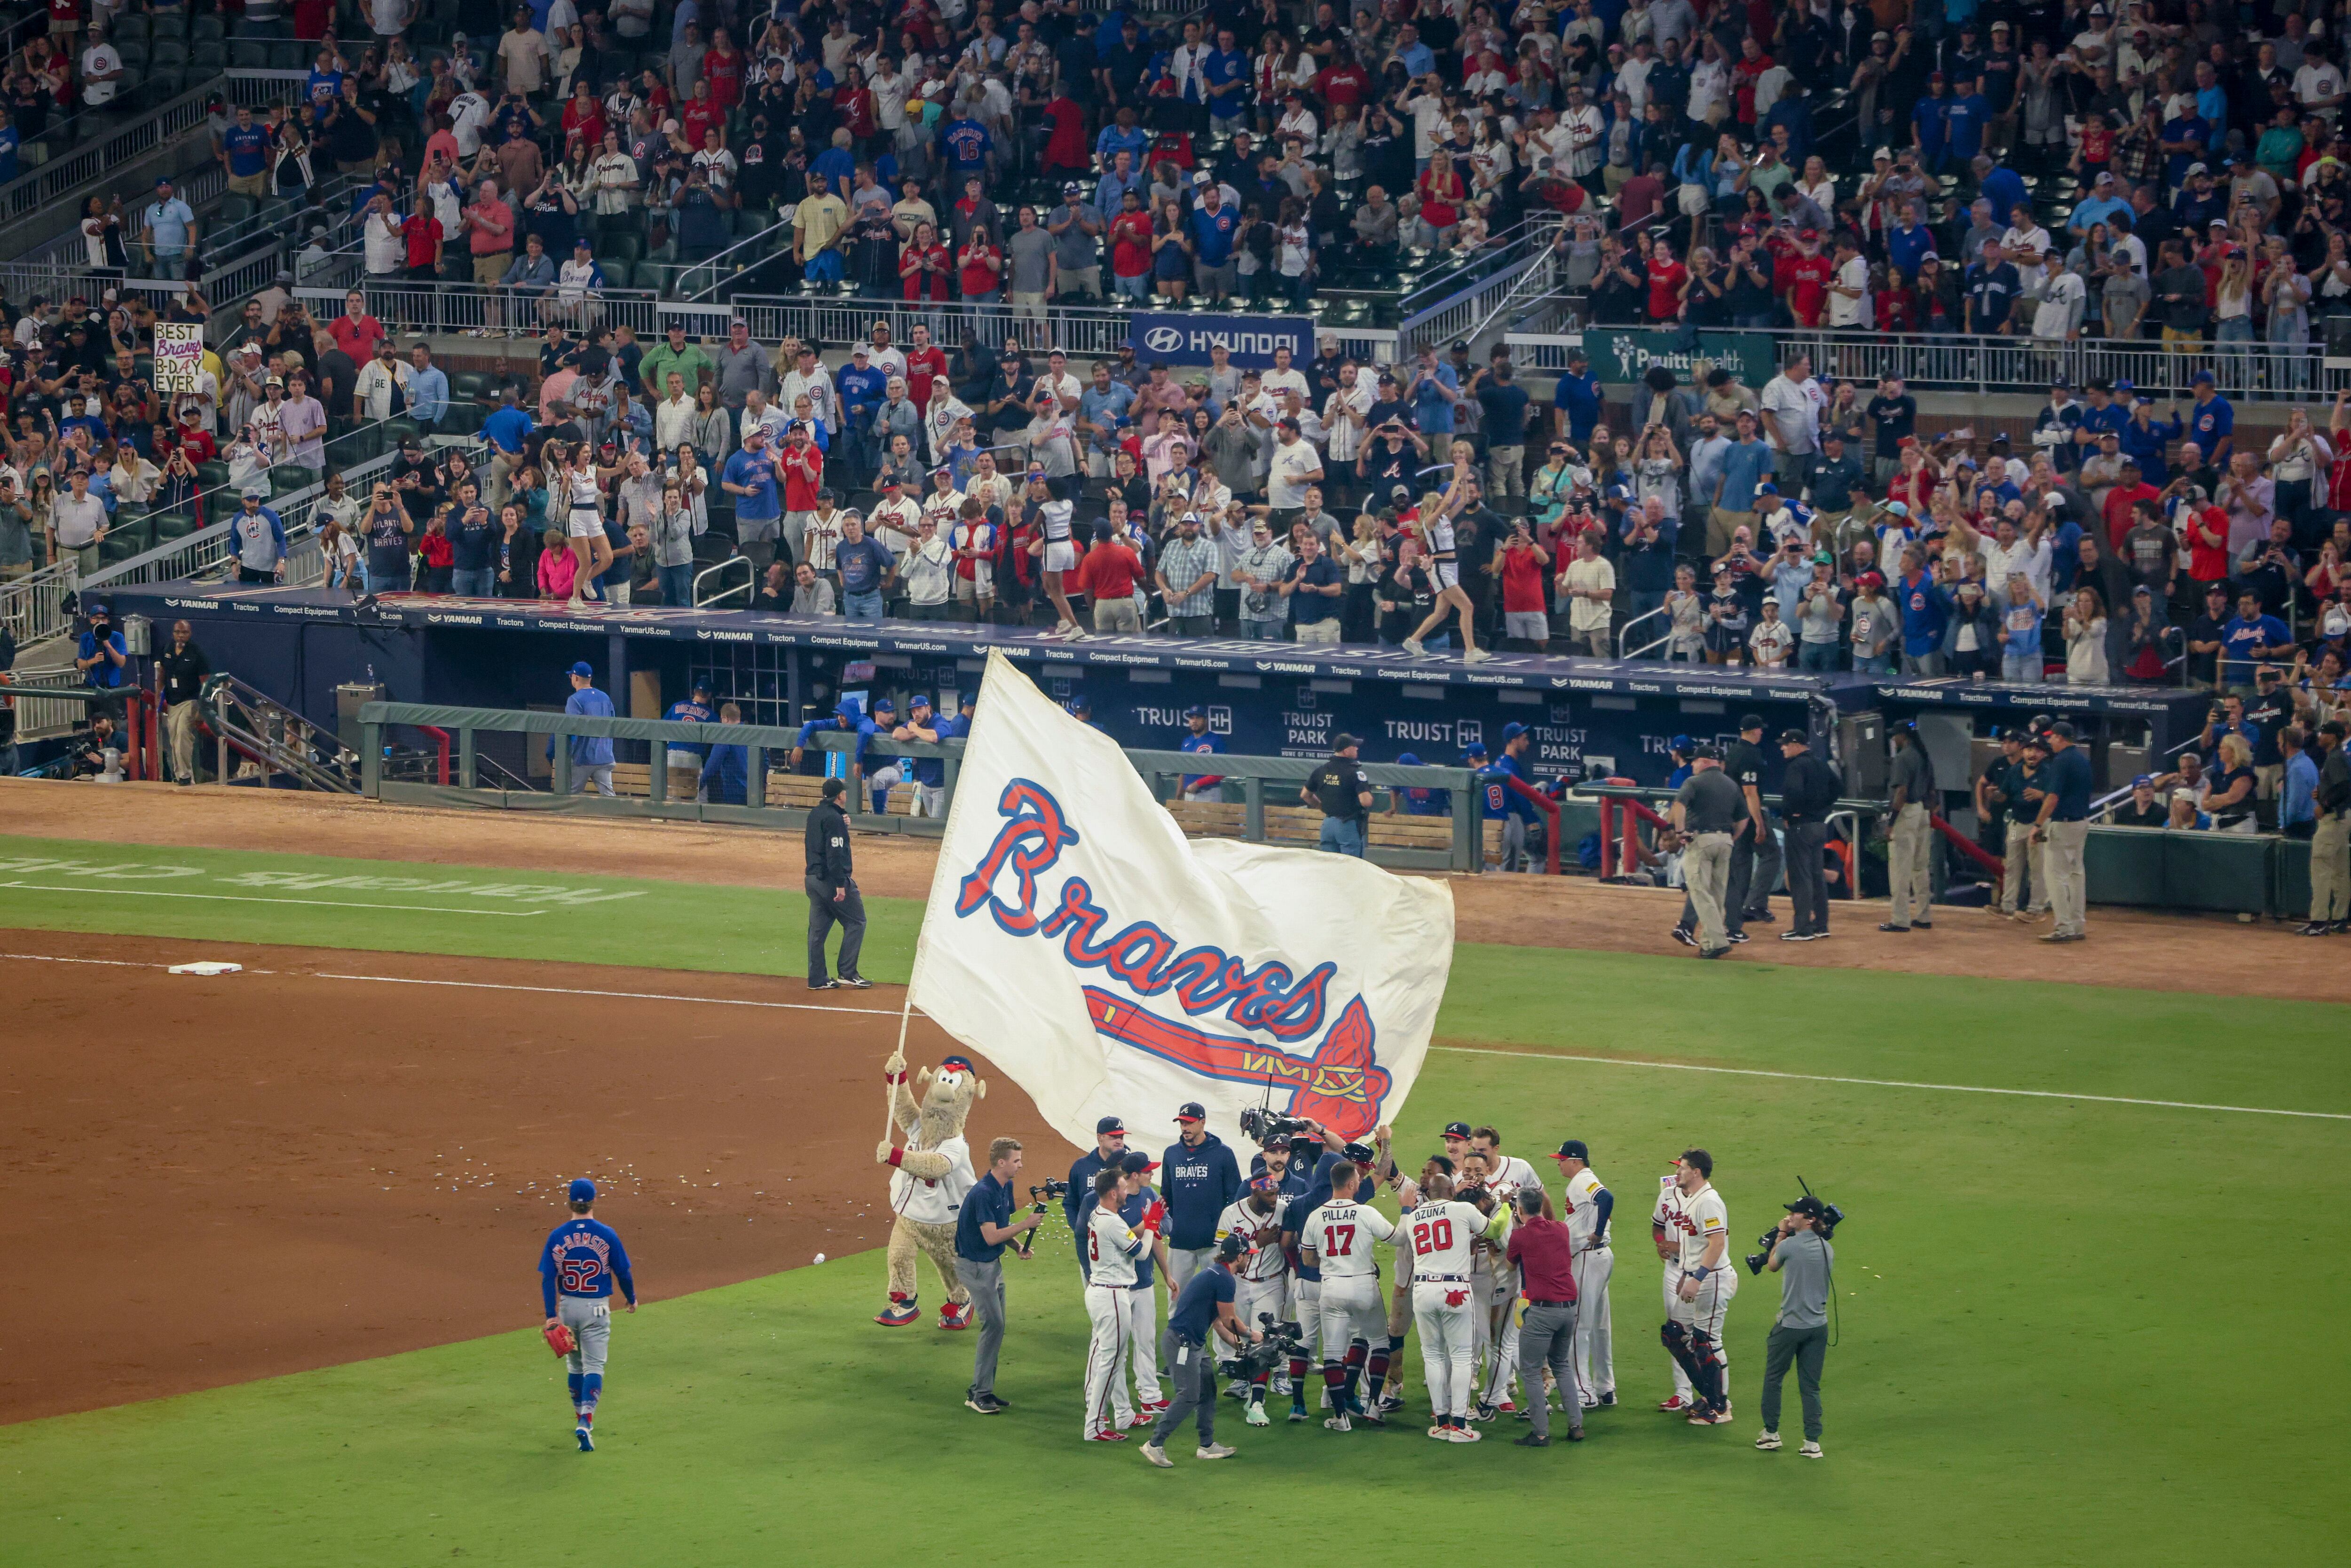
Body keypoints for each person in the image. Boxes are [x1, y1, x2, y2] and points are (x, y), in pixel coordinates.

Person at [538, 1176, 636, 1453]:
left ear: (570, 1202)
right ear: (593, 1202)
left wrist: (551, 1315)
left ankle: (581, 1419)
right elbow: (623, 1273)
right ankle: (586, 1419)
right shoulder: (607, 1234)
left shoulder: (556, 1236)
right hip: (597, 1308)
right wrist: (631, 1299)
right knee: (595, 1367)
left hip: (568, 1308)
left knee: (575, 1367)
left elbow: (548, 1278)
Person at [1140, 1229, 1252, 1467]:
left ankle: (1207, 1445)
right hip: (1182, 1344)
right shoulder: (1224, 1278)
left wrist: (1237, 1346)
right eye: (1248, 1256)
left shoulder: (1213, 1273)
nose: (1250, 1260)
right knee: (1189, 1395)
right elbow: (1230, 1318)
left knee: (1208, 1390)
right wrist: (1253, 1335)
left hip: (1193, 1344)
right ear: (1239, 1257)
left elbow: (1218, 1321)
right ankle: (1155, 1444)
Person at [1300, 1158, 1396, 1433]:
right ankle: (1375, 1406)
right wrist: (1405, 1209)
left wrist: (1332, 1263)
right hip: (1364, 1284)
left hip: (1331, 1287)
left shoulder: (1316, 1216)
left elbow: (1308, 1259)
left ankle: (1340, 1417)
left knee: (1331, 1354)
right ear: (1353, 1184)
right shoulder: (1365, 1212)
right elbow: (1396, 1238)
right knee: (1379, 1344)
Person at [1400, 1170, 1490, 1442]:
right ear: (1452, 1191)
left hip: (1423, 1288)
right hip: (1455, 1289)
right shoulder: (1462, 1208)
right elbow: (1492, 1229)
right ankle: (1460, 1425)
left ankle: (1441, 1423)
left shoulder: (1414, 1216)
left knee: (1433, 1356)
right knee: (1462, 1358)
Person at [952, 1135, 1038, 1417]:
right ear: (1001, 1162)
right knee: (994, 1326)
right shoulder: (983, 1193)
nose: (1020, 1165)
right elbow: (990, 1237)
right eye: (1016, 1161)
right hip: (975, 1267)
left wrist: (1017, 1247)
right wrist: (1026, 1225)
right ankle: (979, 1395)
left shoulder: (1006, 1185)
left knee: (997, 1327)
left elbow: (1001, 1225)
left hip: (992, 1264)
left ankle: (983, 1389)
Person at [1659, 1148, 1736, 1426]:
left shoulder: (1709, 1202)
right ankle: (1708, 1394)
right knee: (1674, 1335)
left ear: (1696, 1172)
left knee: (1708, 1343)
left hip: (1713, 1279)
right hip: (1696, 1276)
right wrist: (1686, 1273)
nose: (1677, 1172)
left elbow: (1717, 1244)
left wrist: (1697, 1277)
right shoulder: (1694, 1199)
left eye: (1682, 1168)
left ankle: (1721, 1406)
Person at [1754, 1196, 1833, 1460]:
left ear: (1810, 1219)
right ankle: (1813, 1443)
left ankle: (1771, 1434)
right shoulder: (1827, 1249)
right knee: (1811, 1386)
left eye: (1796, 1214)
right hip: (1818, 1326)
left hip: (1790, 1326)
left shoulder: (1789, 1245)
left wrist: (1781, 1233)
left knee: (1774, 1379)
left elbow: (1772, 1265)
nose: (1791, 1216)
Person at [1503, 1185, 1581, 1447]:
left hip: (1542, 1312)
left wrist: (1517, 1226)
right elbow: (1550, 1218)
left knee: (1531, 1370)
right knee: (1561, 1364)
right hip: (1569, 1308)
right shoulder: (1562, 1229)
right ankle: (1576, 1426)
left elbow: (1510, 1265)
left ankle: (1540, 1433)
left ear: (1520, 1210)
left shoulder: (1520, 1237)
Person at [1081, 1166, 1148, 1443]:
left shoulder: (1097, 1214)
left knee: (1107, 1354)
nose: (1127, 1190)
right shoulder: (1113, 1222)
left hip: (1098, 1291)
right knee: (1110, 1361)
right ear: (1113, 1193)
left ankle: (1123, 1413)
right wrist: (1152, 1227)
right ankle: (1094, 1425)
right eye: (1123, 1187)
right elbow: (1142, 1253)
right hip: (1111, 1296)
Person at [1551, 1139, 1614, 1411]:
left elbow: (1606, 1198)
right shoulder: (1582, 1180)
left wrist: (1598, 1231)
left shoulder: (1582, 1179)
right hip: (1600, 1257)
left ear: (1575, 1161)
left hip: (1589, 1257)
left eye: (1562, 1159)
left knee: (1578, 1327)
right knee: (1599, 1325)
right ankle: (1605, 1388)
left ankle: (1583, 1393)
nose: (1559, 1163)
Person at [1158, 1102, 1241, 1295]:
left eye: (1189, 1123)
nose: (1185, 1127)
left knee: (1218, 1298)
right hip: (1180, 1240)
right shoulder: (1171, 1154)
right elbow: (1166, 1194)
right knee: (1176, 1297)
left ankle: (1218, 1328)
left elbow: (1234, 1197)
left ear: (1202, 1122)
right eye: (1181, 1123)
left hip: (1214, 1242)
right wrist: (1173, 1226)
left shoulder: (1223, 1154)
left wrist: (1222, 1230)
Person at [1671, 745, 1743, 958]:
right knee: (1717, 895)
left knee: (1700, 892)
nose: (1692, 764)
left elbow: (1679, 805)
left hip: (1701, 840)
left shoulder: (1694, 782)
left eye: (1695, 761)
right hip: (1726, 841)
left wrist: (1680, 831)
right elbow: (1743, 818)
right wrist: (1731, 838)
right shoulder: (1732, 785)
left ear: (1704, 761)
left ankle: (1719, 941)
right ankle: (1710, 944)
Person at [2026, 719, 2093, 942]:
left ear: (2061, 738)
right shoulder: (2082, 760)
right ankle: (2076, 926)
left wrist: (2037, 825)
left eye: (2052, 737)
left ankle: (2063, 927)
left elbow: (2053, 798)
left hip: (2063, 825)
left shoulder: (2062, 761)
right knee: (2076, 876)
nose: (2049, 740)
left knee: (2055, 877)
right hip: (2081, 823)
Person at [805, 775, 870, 988]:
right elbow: (835, 854)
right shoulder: (834, 819)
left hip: (812, 880)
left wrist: (843, 821)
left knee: (817, 933)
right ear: (840, 796)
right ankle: (848, 973)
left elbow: (825, 834)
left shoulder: (817, 813)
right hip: (831, 881)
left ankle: (817, 979)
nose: (846, 794)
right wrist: (841, 884)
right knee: (856, 922)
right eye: (844, 792)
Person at [1776, 730, 1840, 941]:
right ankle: (1821, 925)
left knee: (1800, 877)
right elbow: (1838, 788)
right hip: (1819, 826)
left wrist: (1791, 813)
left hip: (1800, 828)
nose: (1782, 748)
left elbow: (1794, 792)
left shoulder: (1797, 765)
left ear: (1796, 744)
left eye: (1785, 744)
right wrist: (1820, 809)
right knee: (1816, 876)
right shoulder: (1821, 763)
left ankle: (1802, 928)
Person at [1879, 721, 1936, 932]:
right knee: (1921, 868)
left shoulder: (1903, 758)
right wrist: (1928, 813)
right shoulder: (1923, 755)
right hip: (1922, 812)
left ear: (1903, 736)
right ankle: (1924, 916)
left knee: (1900, 871)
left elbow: (1901, 792)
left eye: (1895, 736)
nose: (1893, 739)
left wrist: (1891, 823)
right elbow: (1932, 790)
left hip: (1907, 812)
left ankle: (1900, 920)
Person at [2305, 722, 2351, 936]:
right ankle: (2340, 919)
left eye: (2324, 733)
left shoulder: (2335, 758)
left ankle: (2319, 921)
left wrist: (2325, 804)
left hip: (2334, 817)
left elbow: (2345, 786)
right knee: (2341, 870)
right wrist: (2322, 793)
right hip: (2344, 816)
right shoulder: (2338, 757)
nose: (2320, 735)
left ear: (2333, 737)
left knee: (2321, 866)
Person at [157, 619, 211, 786]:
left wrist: (201, 711)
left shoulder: (197, 654)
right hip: (173, 701)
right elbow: (162, 673)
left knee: (182, 734)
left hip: (191, 700)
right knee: (174, 738)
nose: (181, 636)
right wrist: (158, 694)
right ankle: (180, 775)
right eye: (178, 632)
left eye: (184, 633)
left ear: (190, 634)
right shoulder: (167, 649)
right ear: (173, 633)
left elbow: (206, 685)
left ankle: (186, 776)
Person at [1304, 732, 1372, 856]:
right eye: (1354, 746)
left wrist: (1321, 806)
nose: (1357, 748)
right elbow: (1366, 801)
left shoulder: (1322, 770)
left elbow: (1305, 795)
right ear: (1346, 751)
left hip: (1328, 824)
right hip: (1348, 825)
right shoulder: (1355, 773)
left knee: (1330, 867)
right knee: (1351, 867)